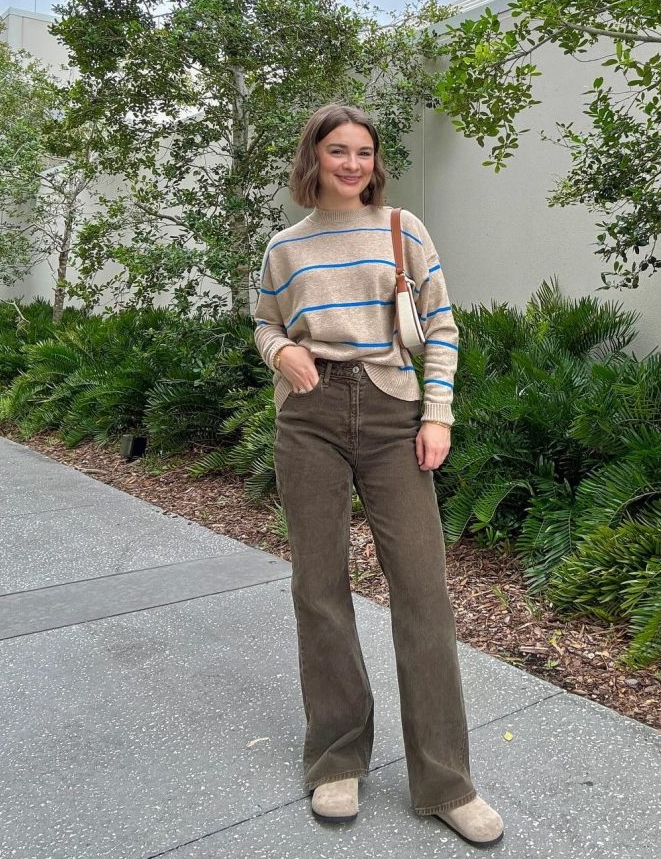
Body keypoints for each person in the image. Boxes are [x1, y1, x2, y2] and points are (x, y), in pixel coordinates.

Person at [253, 104, 504, 848]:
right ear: (314, 158)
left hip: (394, 411)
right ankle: (336, 757)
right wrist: (278, 352)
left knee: (422, 591)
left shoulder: (404, 228)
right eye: (338, 151)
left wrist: (438, 414)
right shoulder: (284, 247)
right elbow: (265, 319)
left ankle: (445, 780)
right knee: (319, 587)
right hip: (309, 415)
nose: (353, 163)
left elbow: (443, 325)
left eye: (363, 152)